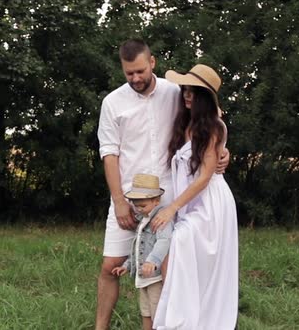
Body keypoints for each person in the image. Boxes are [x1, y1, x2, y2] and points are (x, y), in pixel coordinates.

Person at [95, 39, 230, 330]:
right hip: (128, 194)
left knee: (168, 267)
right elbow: (109, 154)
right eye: (129, 73)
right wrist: (118, 200)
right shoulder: (112, 103)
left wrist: (224, 153)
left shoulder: (175, 93)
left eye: (140, 71)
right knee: (110, 266)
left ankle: (166, 323)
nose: (135, 78)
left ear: (152, 63)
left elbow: (211, 121)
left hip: (171, 194)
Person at [151, 64, 239, 329]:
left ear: (204, 98)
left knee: (179, 242)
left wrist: (171, 209)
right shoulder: (186, 124)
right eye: (185, 90)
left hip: (210, 203)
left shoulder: (212, 127)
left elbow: (204, 177)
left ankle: (190, 319)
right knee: (186, 255)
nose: (187, 95)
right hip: (189, 203)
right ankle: (186, 314)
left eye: (193, 92)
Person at [110, 173, 173, 330]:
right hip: (143, 279)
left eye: (142, 206)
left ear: (156, 201)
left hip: (154, 278)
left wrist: (153, 261)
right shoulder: (143, 219)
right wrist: (127, 265)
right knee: (145, 312)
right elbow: (138, 247)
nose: (138, 209)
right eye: (136, 205)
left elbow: (164, 241)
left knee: (156, 312)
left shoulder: (161, 218)